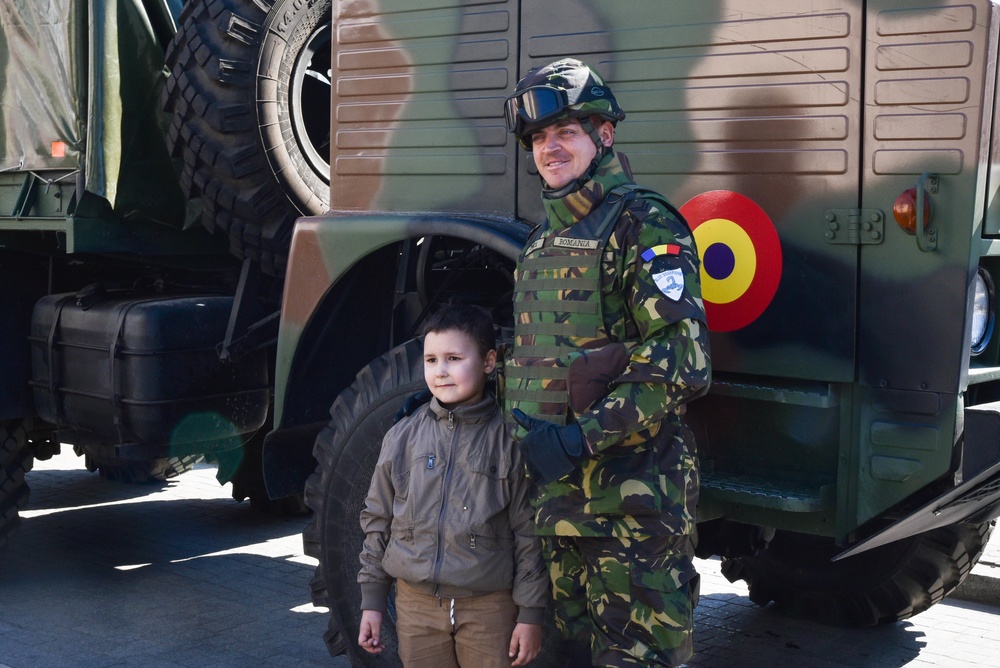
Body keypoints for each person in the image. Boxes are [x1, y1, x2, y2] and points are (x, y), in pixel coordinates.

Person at [502, 58, 711, 667]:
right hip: (559, 513)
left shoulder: (645, 224)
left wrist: (578, 441)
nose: (550, 148)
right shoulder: (540, 244)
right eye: (539, 137)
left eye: (565, 131)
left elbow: (680, 358)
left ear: (604, 136)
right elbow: (542, 363)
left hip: (633, 510)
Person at [357, 304, 549, 667]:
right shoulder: (402, 437)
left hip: (489, 607)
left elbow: (530, 533)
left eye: (454, 358)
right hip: (416, 607)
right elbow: (377, 519)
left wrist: (529, 614)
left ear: (489, 361)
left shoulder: (510, 441)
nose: (440, 371)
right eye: (431, 360)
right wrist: (372, 601)